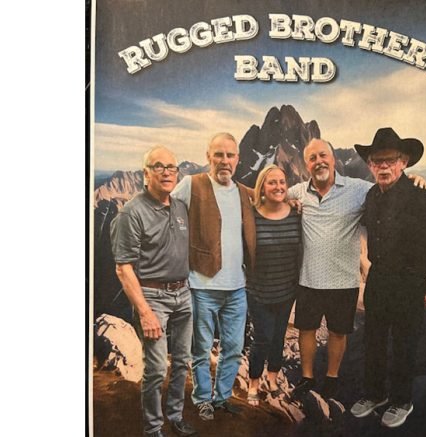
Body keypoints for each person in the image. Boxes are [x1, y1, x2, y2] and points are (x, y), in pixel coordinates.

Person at [287, 138, 426, 401]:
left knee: (337, 332)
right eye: (312, 158)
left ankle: (332, 378)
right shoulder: (297, 192)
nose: (318, 161)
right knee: (306, 329)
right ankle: (307, 378)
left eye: (323, 155)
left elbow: (390, 186)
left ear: (333, 160)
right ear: (306, 164)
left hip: (344, 280)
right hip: (309, 277)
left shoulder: (358, 189)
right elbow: (267, 194)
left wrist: (414, 181)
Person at [349, 127, 426, 428]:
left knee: (405, 344)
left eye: (390, 160)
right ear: (370, 165)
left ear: (403, 162)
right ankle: (375, 394)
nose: (383, 166)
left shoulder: (421, 198)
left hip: (410, 282)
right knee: (374, 341)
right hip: (379, 279)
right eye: (377, 161)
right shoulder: (372, 195)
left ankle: (402, 401)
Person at [110, 146, 197, 437]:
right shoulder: (132, 212)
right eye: (158, 166)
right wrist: (145, 312)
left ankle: (175, 416)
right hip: (152, 298)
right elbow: (123, 268)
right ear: (146, 173)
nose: (166, 172)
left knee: (182, 362)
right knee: (157, 368)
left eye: (171, 167)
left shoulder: (180, 207)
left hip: (183, 295)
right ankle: (153, 428)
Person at [171, 132, 256, 421]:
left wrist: (295, 202)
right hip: (201, 286)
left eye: (230, 155)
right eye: (218, 154)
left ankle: (222, 399)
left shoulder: (244, 192)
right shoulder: (191, 184)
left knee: (233, 348)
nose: (224, 160)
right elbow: (163, 209)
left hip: (237, 288)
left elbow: (273, 199)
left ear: (238, 159)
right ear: (208, 156)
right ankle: (202, 399)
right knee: (202, 349)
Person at [244, 165, 302, 406]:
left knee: (278, 336)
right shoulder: (250, 216)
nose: (278, 187)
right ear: (261, 188)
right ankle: (254, 382)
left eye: (282, 182)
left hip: (287, 290)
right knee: (263, 338)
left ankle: (273, 379)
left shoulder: (296, 213)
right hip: (258, 291)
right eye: (272, 182)